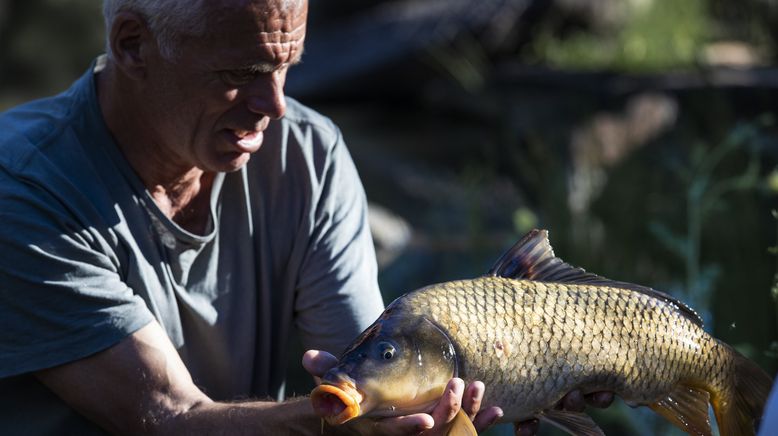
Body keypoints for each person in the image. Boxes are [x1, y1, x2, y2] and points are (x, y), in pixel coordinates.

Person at [0, 0, 611, 434]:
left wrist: (418, 412)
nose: (275, 106)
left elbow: (370, 371)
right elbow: (167, 417)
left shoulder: (309, 154)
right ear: (133, 44)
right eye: (241, 74)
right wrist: (335, 419)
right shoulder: (23, 183)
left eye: (286, 66)